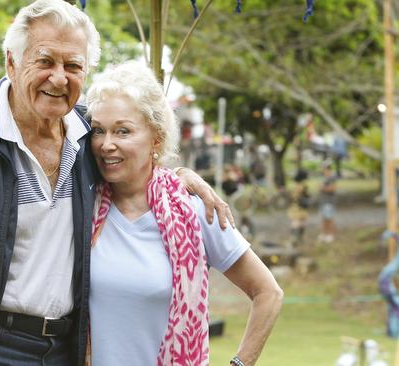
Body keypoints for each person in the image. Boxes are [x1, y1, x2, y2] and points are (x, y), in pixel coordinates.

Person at [0, 1, 233, 365]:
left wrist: (181, 178)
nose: (59, 78)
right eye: (45, 61)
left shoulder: (87, 138)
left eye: (73, 66)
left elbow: (134, 165)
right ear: (11, 63)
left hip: (68, 349)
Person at [85, 61, 283, 366]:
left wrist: (240, 363)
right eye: (99, 131)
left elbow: (268, 293)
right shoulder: (82, 204)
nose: (106, 144)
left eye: (122, 131)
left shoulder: (194, 210)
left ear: (156, 139)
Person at [287, 169, 310, 246]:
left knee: (296, 223)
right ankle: (297, 239)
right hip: (300, 207)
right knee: (299, 223)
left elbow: (290, 197)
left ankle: (294, 239)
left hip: (294, 206)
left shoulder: (294, 185)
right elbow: (306, 195)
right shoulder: (302, 186)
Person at [318, 163, 337, 243]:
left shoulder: (331, 177)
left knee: (330, 219)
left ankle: (331, 235)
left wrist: (322, 188)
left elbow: (333, 188)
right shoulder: (325, 178)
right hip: (323, 201)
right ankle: (324, 234)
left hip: (329, 202)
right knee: (324, 219)